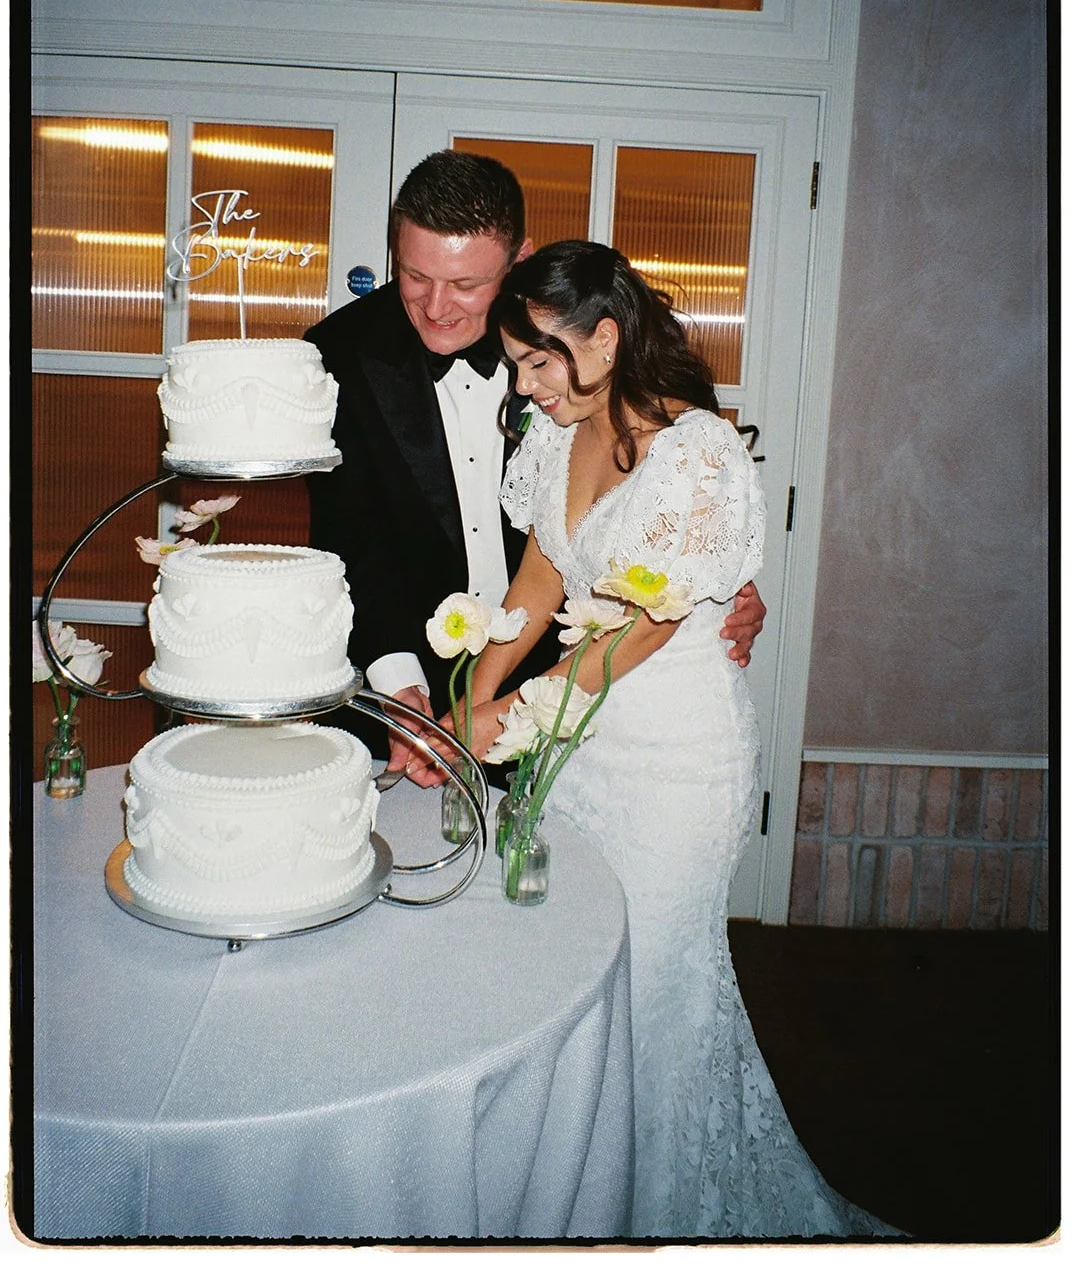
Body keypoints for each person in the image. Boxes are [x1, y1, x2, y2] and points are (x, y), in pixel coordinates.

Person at [461, 240, 897, 1241]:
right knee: (578, 973)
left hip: (675, 759)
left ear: (604, 339)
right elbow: (540, 575)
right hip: (580, 749)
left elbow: (644, 626)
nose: (525, 386)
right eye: (518, 364)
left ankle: (647, 1219)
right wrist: (475, 684)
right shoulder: (554, 435)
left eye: (540, 360)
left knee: (654, 988)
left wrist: (521, 715)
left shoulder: (696, 450)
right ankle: (572, 1189)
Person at [306, 151, 766, 779]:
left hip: (578, 673)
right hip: (424, 675)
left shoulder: (577, 333)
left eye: (467, 285)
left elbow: (677, 504)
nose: (437, 307)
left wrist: (725, 584)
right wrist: (404, 683)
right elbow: (352, 533)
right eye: (415, 276)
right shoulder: (338, 353)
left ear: (519, 258)